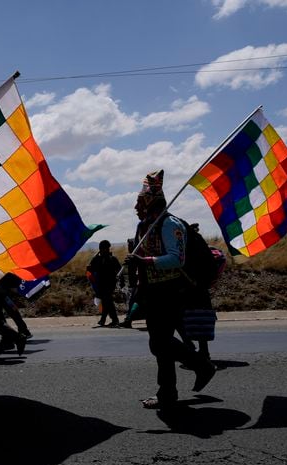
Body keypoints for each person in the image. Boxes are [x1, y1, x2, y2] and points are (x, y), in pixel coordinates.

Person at [123, 169, 215, 409]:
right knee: (159, 344)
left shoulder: (169, 224)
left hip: (172, 290)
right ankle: (168, 393)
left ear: (152, 200)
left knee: (160, 343)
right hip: (152, 291)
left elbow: (177, 259)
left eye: (140, 200)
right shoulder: (144, 225)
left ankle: (200, 365)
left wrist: (144, 262)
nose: (136, 205)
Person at [88, 240, 122, 327]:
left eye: (105, 248)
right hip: (100, 283)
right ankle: (105, 320)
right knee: (106, 301)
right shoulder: (96, 259)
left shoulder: (112, 259)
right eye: (102, 248)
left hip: (110, 283)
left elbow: (120, 270)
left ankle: (113, 320)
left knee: (108, 300)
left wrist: (121, 281)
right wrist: (89, 268)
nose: (104, 250)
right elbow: (92, 269)